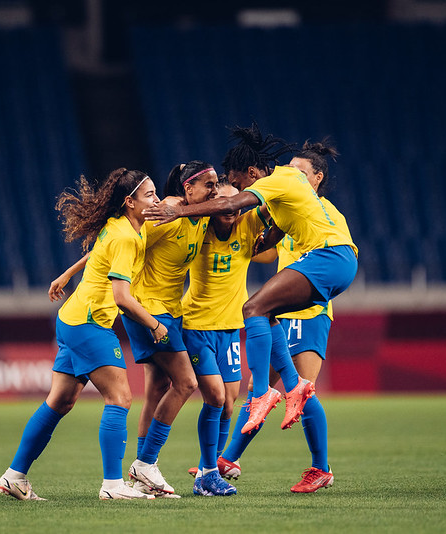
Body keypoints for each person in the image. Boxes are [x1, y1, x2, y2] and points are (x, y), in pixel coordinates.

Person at [143, 124, 358, 492]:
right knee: (248, 378)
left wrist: (181, 212)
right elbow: (271, 230)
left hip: (323, 268)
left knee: (253, 311)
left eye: (239, 181)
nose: (239, 188)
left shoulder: (275, 184)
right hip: (222, 318)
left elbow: (231, 204)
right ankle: (225, 456)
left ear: (253, 174)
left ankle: (265, 402)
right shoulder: (261, 209)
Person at [0, 168, 166, 501]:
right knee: (120, 398)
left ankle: (14, 476)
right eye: (150, 195)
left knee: (60, 400)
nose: (157, 200)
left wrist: (67, 273)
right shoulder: (125, 236)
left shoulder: (123, 226)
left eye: (157, 193)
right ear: (130, 202)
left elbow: (96, 255)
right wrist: (154, 324)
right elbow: (122, 298)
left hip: (72, 318)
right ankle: (113, 486)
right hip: (90, 323)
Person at [219, 139, 340, 493]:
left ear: (317, 178)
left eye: (302, 173)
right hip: (280, 312)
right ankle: (228, 459)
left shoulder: (323, 211)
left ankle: (321, 467)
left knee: (299, 390)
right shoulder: (287, 207)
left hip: (308, 312)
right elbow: (266, 255)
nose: (293, 177)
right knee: (265, 387)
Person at [121, 161, 220, 498]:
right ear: (186, 189)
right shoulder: (167, 214)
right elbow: (120, 244)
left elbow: (232, 203)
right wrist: (72, 273)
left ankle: (140, 477)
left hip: (171, 310)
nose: (214, 190)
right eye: (207, 185)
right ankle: (145, 463)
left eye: (216, 183)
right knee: (186, 382)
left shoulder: (200, 215)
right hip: (149, 309)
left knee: (156, 388)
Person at [179, 176, 270, 495]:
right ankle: (205, 473)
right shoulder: (198, 227)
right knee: (215, 397)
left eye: (237, 203)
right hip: (195, 326)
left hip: (230, 329)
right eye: (224, 203)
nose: (231, 208)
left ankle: (212, 467)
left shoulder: (247, 227)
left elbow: (279, 212)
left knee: (229, 404)